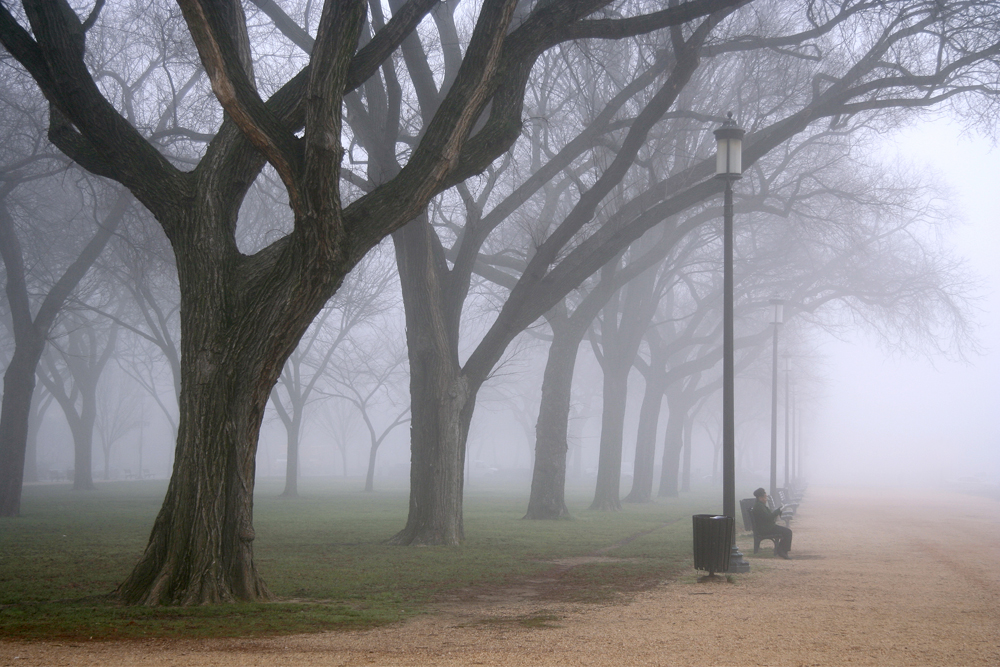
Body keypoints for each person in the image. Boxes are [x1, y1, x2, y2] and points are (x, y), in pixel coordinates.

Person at [751, 487, 793, 559]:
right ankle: (782, 551)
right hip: (766, 529)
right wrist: (777, 511)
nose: (766, 499)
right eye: (765, 497)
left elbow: (768, 517)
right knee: (788, 532)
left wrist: (777, 511)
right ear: (760, 498)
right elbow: (769, 518)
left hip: (767, 527)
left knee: (786, 531)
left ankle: (781, 550)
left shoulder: (760, 505)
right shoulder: (759, 507)